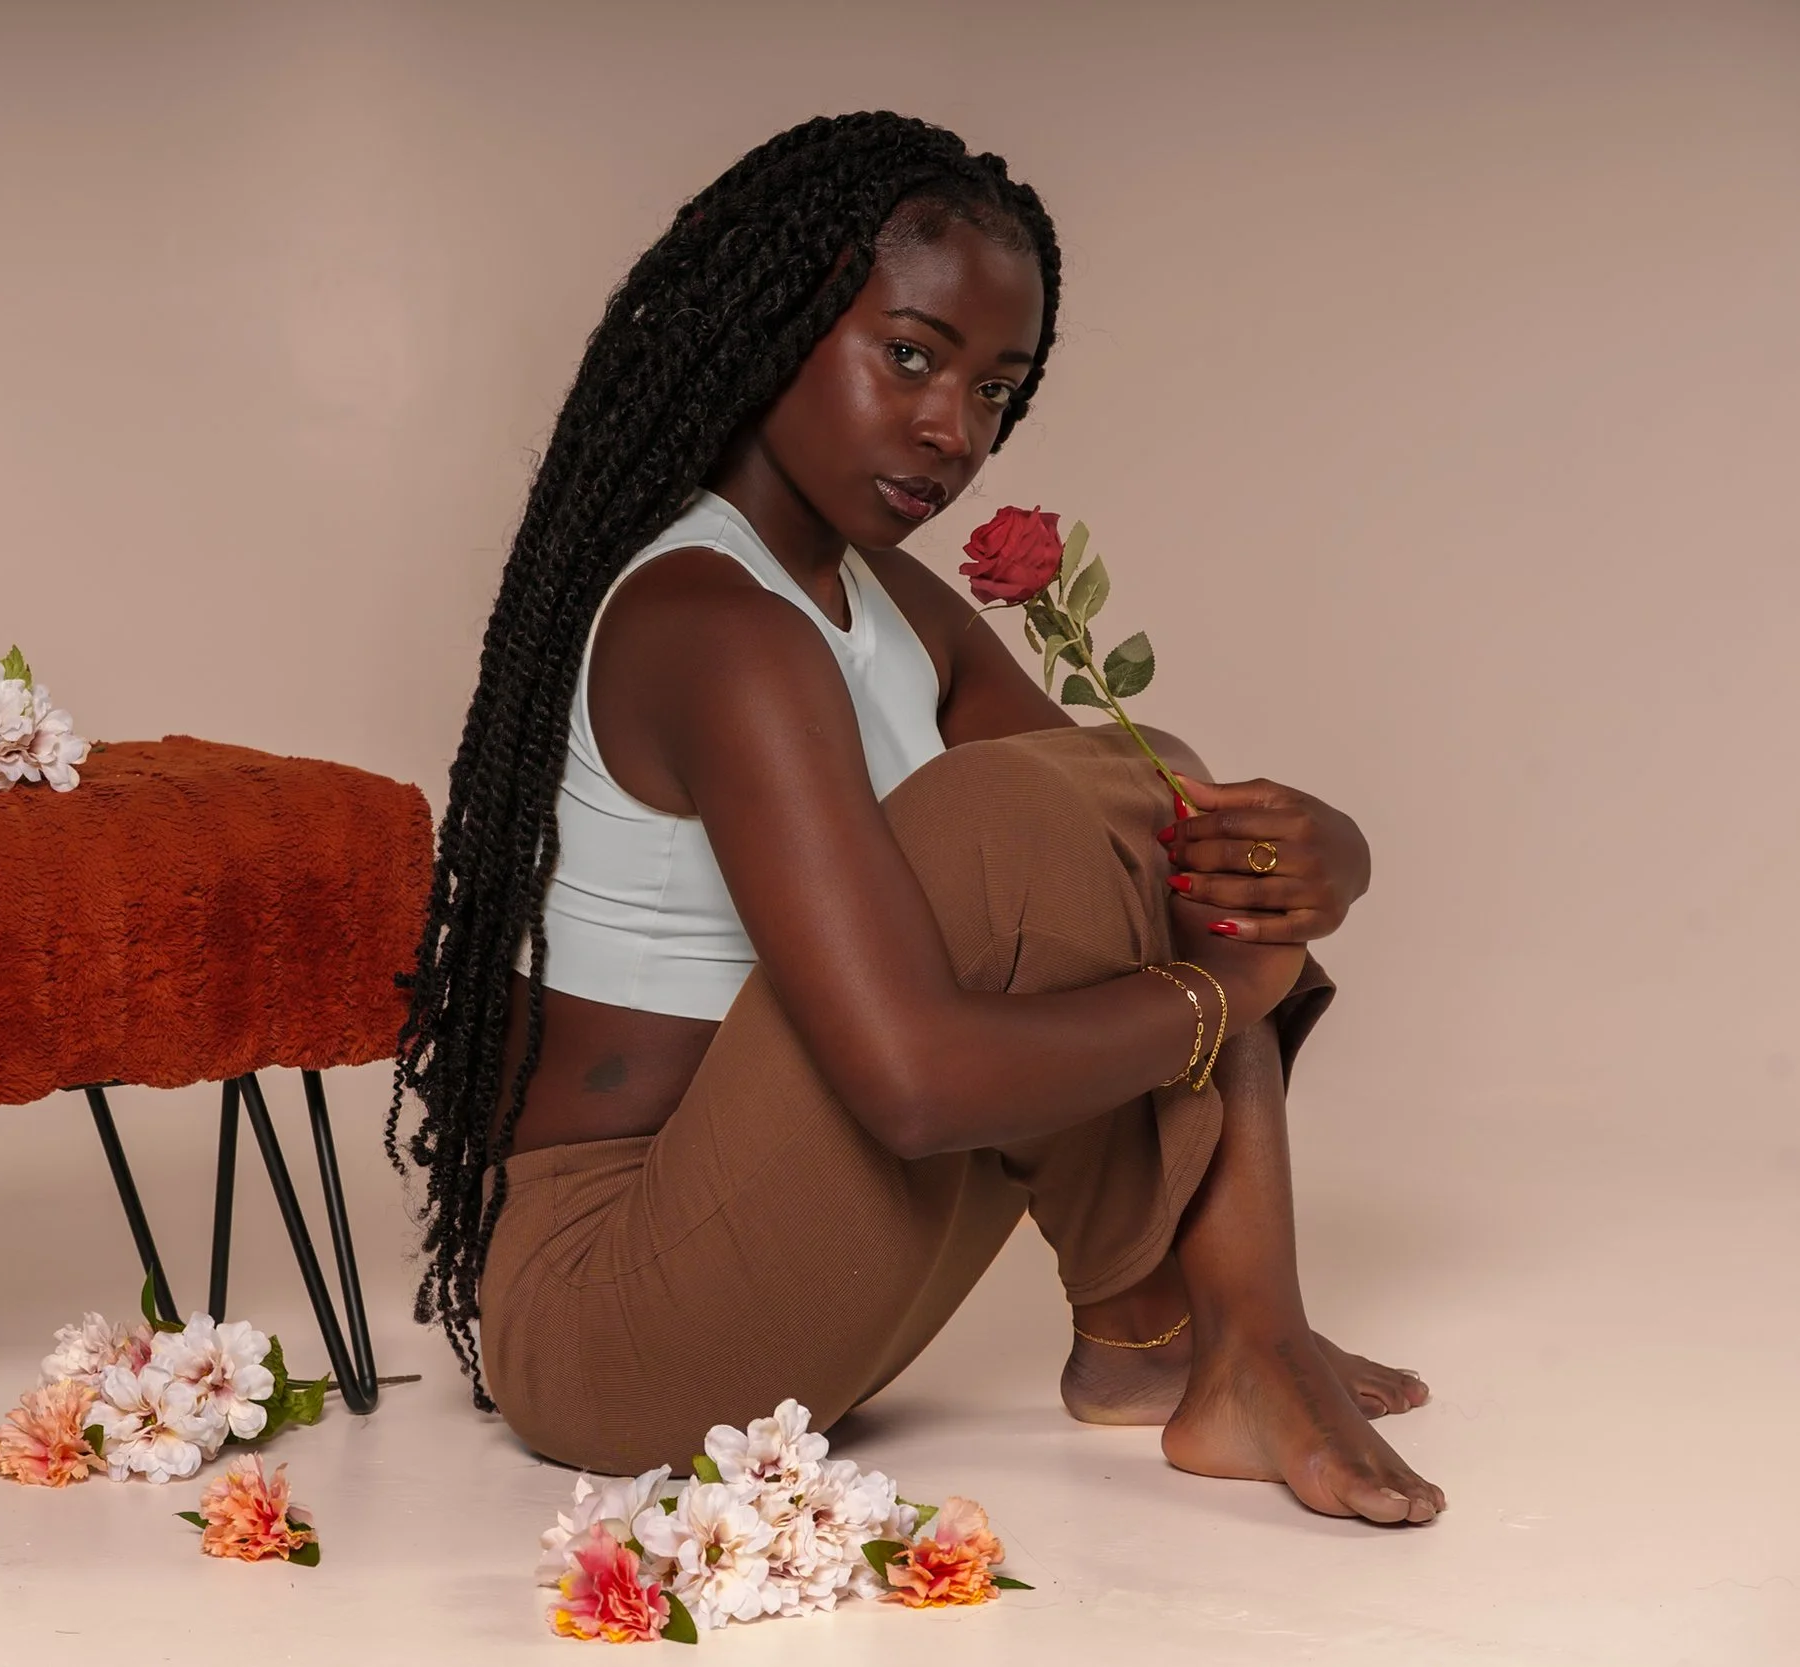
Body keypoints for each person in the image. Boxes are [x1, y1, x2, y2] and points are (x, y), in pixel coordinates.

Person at [384, 112, 1443, 1526]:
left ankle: (1190, 1334)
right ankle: (1238, 1341)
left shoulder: (887, 605)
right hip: (616, 1323)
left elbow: (1145, 830)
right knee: (1025, 814)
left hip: (781, 1261)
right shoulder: (710, 622)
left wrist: (1331, 855)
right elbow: (914, 1085)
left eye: (996, 388)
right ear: (771, 323)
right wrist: (1213, 999)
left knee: (1137, 800)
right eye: (909, 356)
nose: (956, 432)